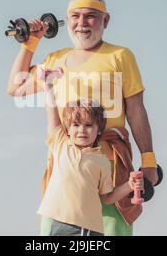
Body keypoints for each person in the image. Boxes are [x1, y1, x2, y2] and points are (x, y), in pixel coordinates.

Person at [7, 0, 159, 235]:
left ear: (105, 21)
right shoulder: (55, 60)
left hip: (110, 166)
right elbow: (15, 87)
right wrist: (30, 42)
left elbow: (136, 110)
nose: (82, 23)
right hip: (66, 170)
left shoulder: (120, 56)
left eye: (91, 17)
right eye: (75, 16)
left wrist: (149, 161)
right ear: (67, 20)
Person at [37, 71, 143, 236]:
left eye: (88, 125)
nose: (81, 130)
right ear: (68, 129)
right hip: (56, 222)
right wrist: (48, 85)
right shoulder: (60, 143)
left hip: (85, 227)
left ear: (98, 129)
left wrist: (129, 185)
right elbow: (52, 111)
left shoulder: (101, 161)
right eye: (76, 125)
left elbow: (107, 197)